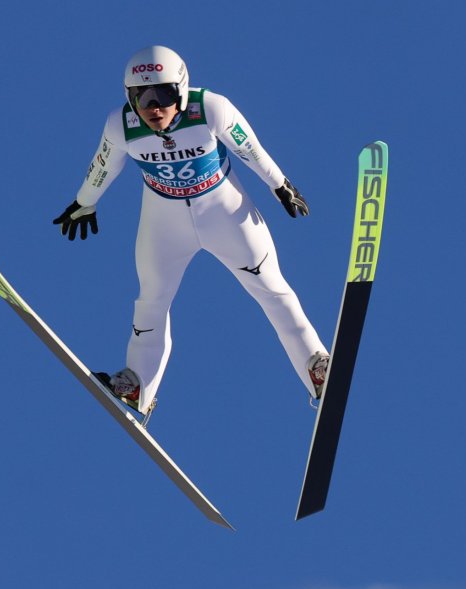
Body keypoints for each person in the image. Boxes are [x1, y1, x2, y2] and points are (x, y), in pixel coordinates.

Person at [53, 45, 329, 413]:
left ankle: (316, 366)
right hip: (164, 222)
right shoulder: (121, 125)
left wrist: (279, 184)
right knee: (151, 300)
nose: (154, 107)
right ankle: (137, 386)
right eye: (142, 97)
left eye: (163, 95)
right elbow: (103, 164)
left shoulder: (210, 108)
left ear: (181, 91)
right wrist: (85, 201)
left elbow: (249, 148)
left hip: (224, 212)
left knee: (271, 288)